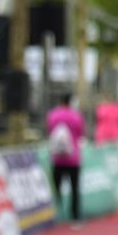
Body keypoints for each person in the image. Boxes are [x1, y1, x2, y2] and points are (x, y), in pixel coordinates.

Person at [45, 92, 85, 225]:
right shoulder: (76, 116)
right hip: (73, 159)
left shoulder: (52, 115)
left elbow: (50, 131)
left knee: (56, 188)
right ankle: (75, 218)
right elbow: (80, 134)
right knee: (75, 188)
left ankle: (56, 215)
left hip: (57, 158)